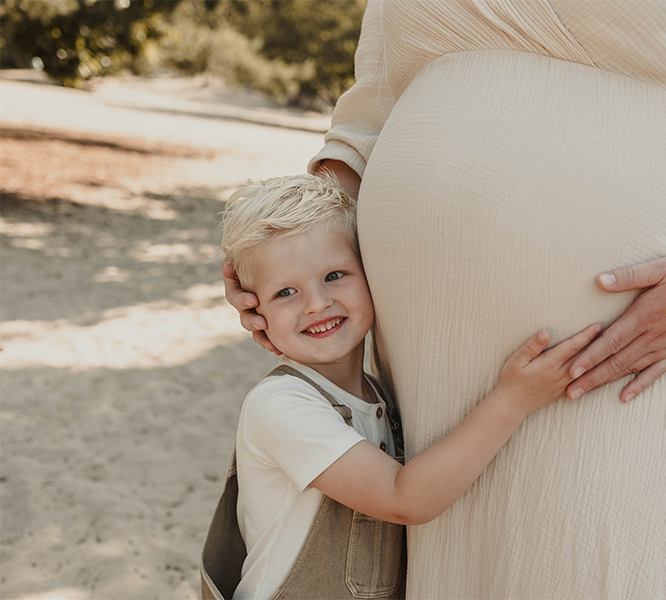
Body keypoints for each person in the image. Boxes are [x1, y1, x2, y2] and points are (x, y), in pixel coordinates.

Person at [224, 2, 666, 597]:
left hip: (629, 338)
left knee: (605, 555)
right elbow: (369, 113)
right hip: (429, 356)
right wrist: (289, 265)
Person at [204, 173, 602, 599]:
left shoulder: (382, 397)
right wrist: (512, 402)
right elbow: (404, 498)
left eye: (335, 275)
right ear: (252, 309)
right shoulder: (280, 406)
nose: (317, 303)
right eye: (285, 292)